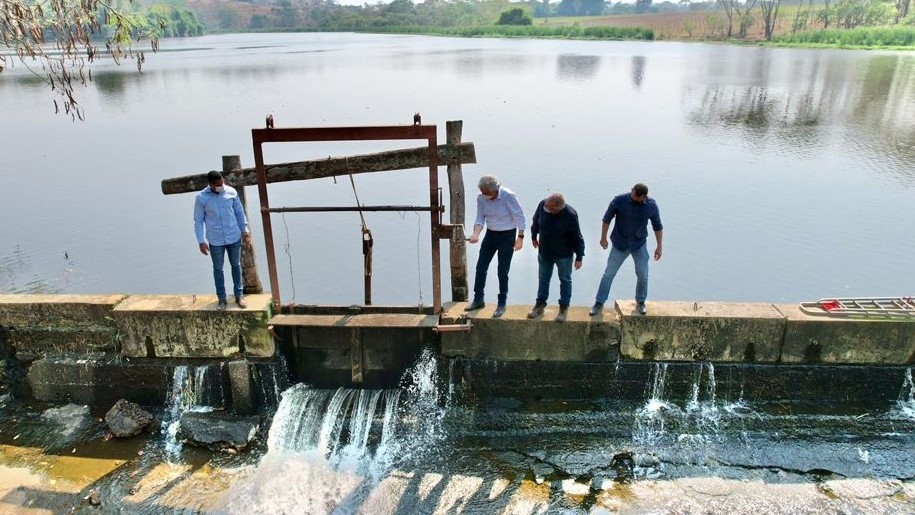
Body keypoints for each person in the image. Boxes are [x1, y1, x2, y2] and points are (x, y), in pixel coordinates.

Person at [590, 183, 663, 316]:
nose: (633, 198)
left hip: (638, 244)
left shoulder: (651, 206)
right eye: (632, 194)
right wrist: (603, 238)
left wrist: (659, 246)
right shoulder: (619, 201)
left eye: (636, 197)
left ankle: (640, 302)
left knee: (643, 274)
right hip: (620, 243)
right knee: (608, 274)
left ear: (644, 197)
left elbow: (657, 226)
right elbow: (606, 219)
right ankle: (598, 303)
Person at [465, 175, 526, 318]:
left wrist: (520, 238)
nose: (483, 195)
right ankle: (478, 299)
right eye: (481, 192)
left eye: (485, 192)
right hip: (491, 234)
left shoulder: (508, 196)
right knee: (481, 267)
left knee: (502, 271)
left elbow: (520, 217)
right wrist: (475, 234)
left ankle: (502, 303)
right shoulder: (481, 198)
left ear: (494, 190)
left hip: (507, 236)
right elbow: (480, 218)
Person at [194, 171, 253, 311]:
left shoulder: (231, 192)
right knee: (218, 268)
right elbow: (198, 221)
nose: (221, 186)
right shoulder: (201, 198)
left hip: (233, 235)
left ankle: (239, 296)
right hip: (215, 239)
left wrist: (245, 231)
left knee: (236, 265)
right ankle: (222, 299)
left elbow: (239, 212)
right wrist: (201, 241)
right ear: (211, 184)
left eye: (222, 182)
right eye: (218, 184)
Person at [527, 193, 585, 322]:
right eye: (546, 206)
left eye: (549, 208)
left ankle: (563, 308)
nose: (546, 208)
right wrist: (533, 236)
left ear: (557, 209)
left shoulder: (570, 215)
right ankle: (540, 305)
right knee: (543, 279)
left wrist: (579, 257)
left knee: (565, 280)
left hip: (563, 255)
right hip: (544, 252)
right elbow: (535, 221)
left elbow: (577, 237)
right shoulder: (543, 205)